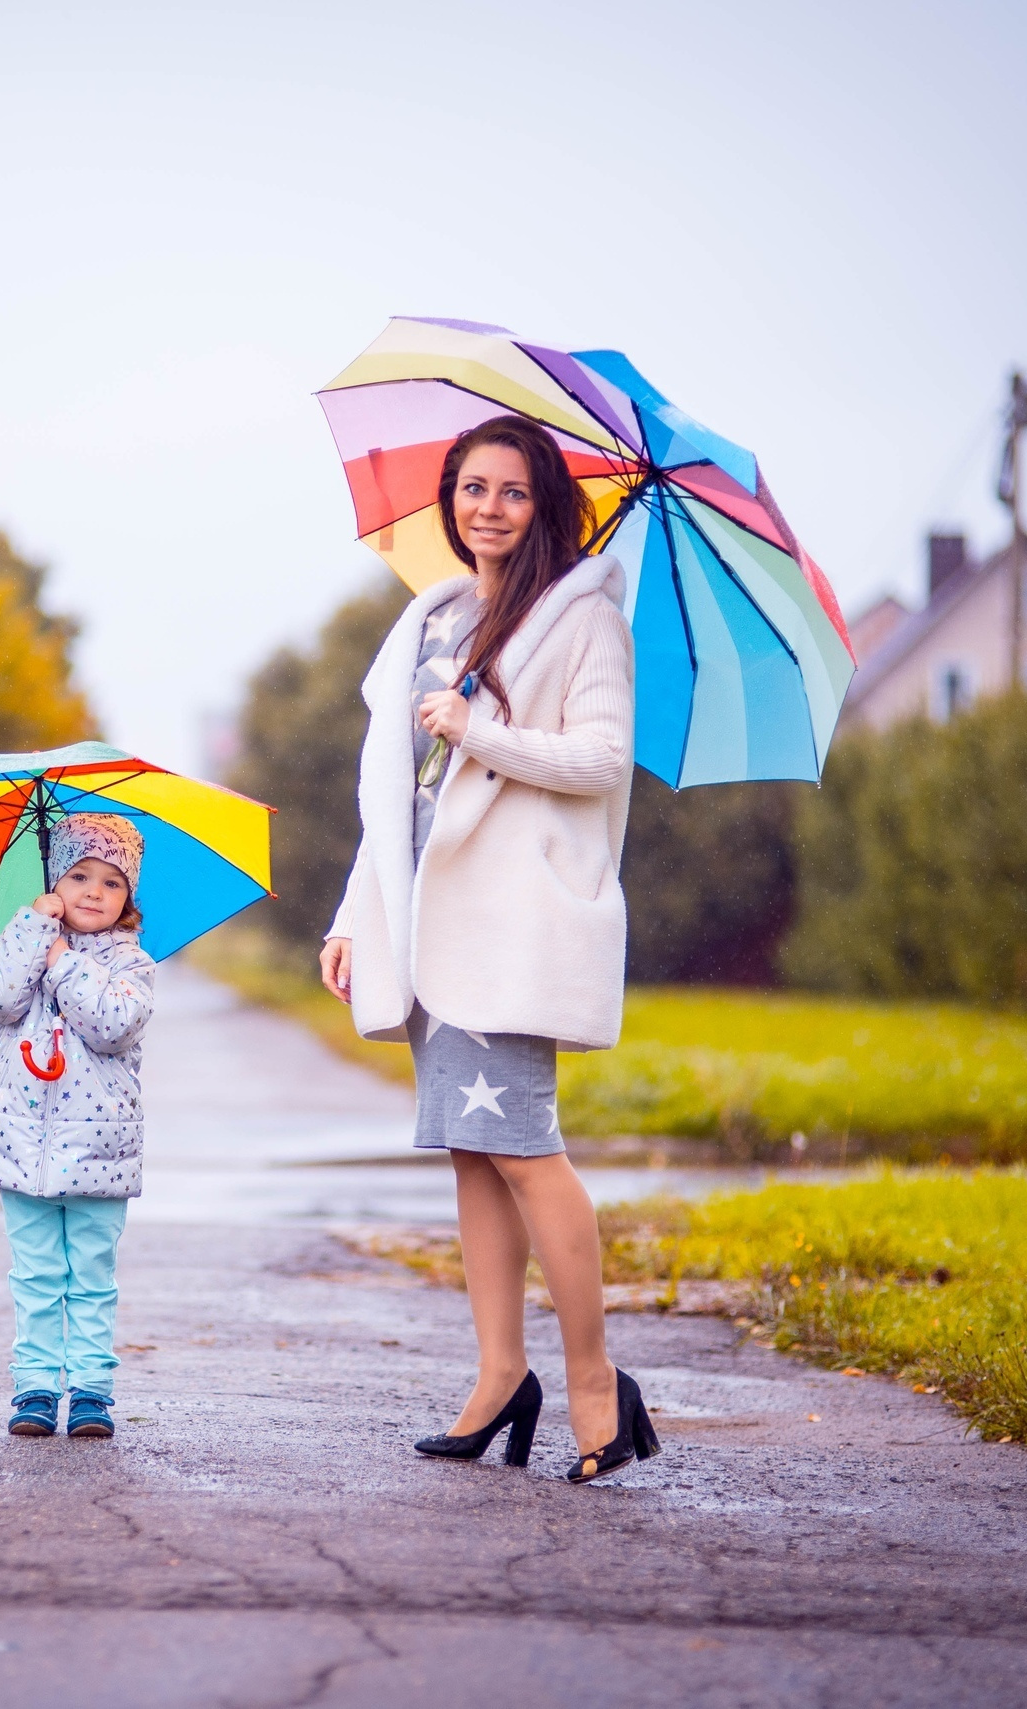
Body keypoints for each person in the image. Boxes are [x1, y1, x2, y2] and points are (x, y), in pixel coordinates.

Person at [318, 414, 660, 1483]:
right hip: (428, 921)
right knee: (470, 1150)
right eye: (471, 487)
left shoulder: (582, 623)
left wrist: (479, 731)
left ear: (545, 503)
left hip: (509, 925)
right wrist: (351, 912)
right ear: (448, 500)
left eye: (511, 491)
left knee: (522, 1144)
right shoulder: (437, 615)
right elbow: (397, 795)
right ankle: (498, 1373)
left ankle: (599, 1386)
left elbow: (602, 760)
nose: (487, 508)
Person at [0, 813, 158, 1440]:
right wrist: (32, 929)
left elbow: (110, 1023)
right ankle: (37, 1389)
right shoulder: (25, 941)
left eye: (111, 882)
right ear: (54, 883)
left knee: (92, 1278)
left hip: (100, 1152)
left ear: (128, 898)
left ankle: (94, 1391)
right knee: (37, 1275)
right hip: (23, 1148)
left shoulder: (133, 964)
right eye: (78, 876)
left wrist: (63, 960)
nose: (93, 892)